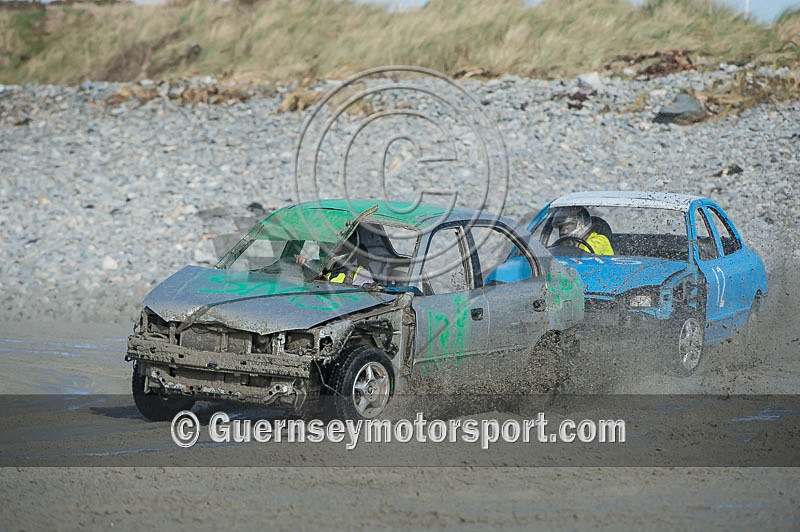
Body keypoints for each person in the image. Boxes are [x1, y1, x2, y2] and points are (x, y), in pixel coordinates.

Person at [294, 230, 374, 286]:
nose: (325, 242)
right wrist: (300, 265)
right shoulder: (313, 265)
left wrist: (327, 287)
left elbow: (362, 301)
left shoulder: (361, 274)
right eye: (323, 238)